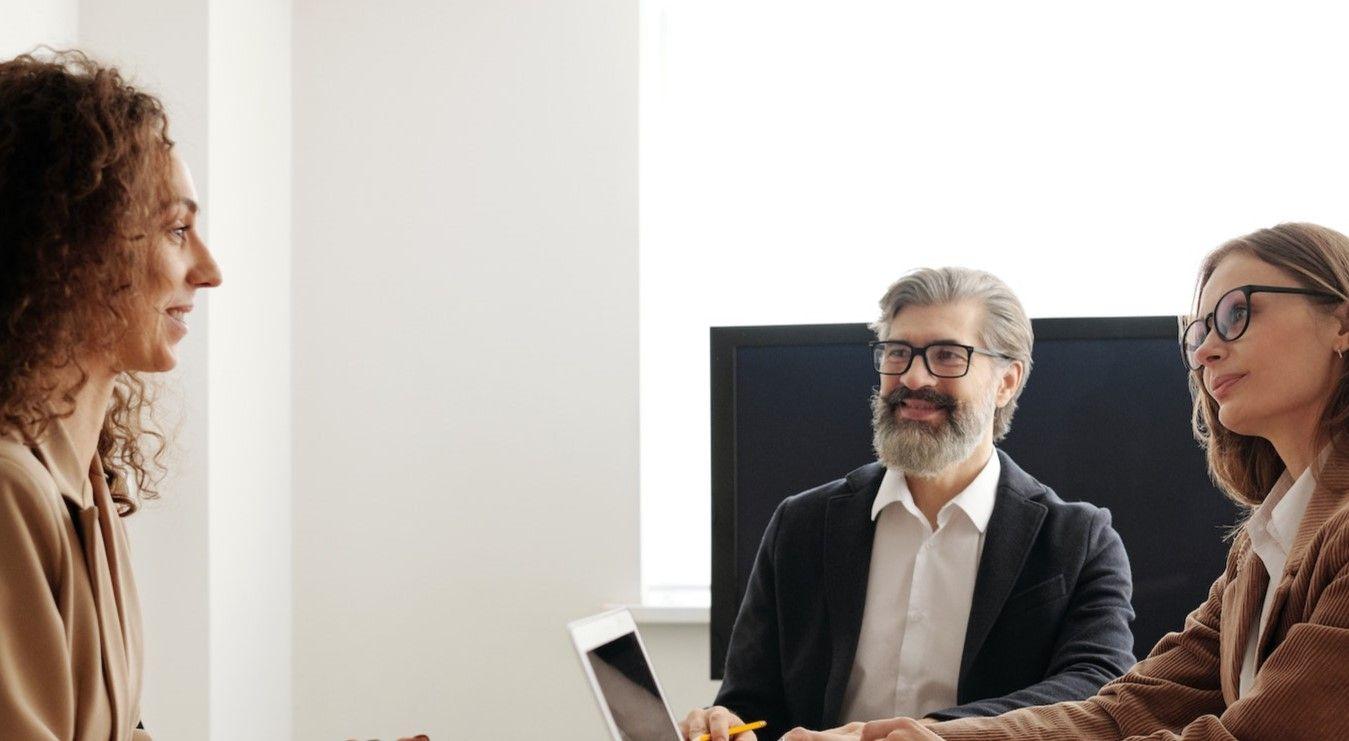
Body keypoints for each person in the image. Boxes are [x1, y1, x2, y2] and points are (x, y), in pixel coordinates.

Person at [786, 223, 1349, 741]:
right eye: (1198, 330)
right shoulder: (1260, 544)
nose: (1203, 351)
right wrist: (925, 737)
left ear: (1341, 322)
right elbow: (1126, 709)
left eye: (1234, 314)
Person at [682, 268, 1136, 741]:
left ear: (1007, 381)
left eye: (946, 355)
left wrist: (922, 734)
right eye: (897, 352)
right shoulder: (800, 525)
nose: (913, 377)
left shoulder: (1080, 541)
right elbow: (750, 704)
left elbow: (1097, 689)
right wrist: (726, 724)